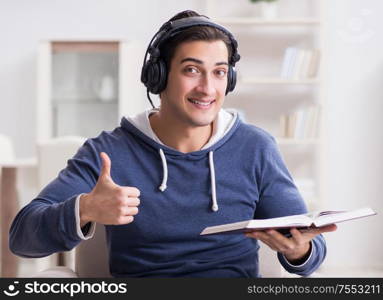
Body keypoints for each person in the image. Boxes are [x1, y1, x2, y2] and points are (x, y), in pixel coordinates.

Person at [9, 10, 336, 278]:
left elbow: (309, 246)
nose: (207, 88)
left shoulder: (255, 148)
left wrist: (300, 251)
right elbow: (22, 237)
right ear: (159, 76)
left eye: (219, 72)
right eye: (192, 70)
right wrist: (86, 208)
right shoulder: (109, 152)